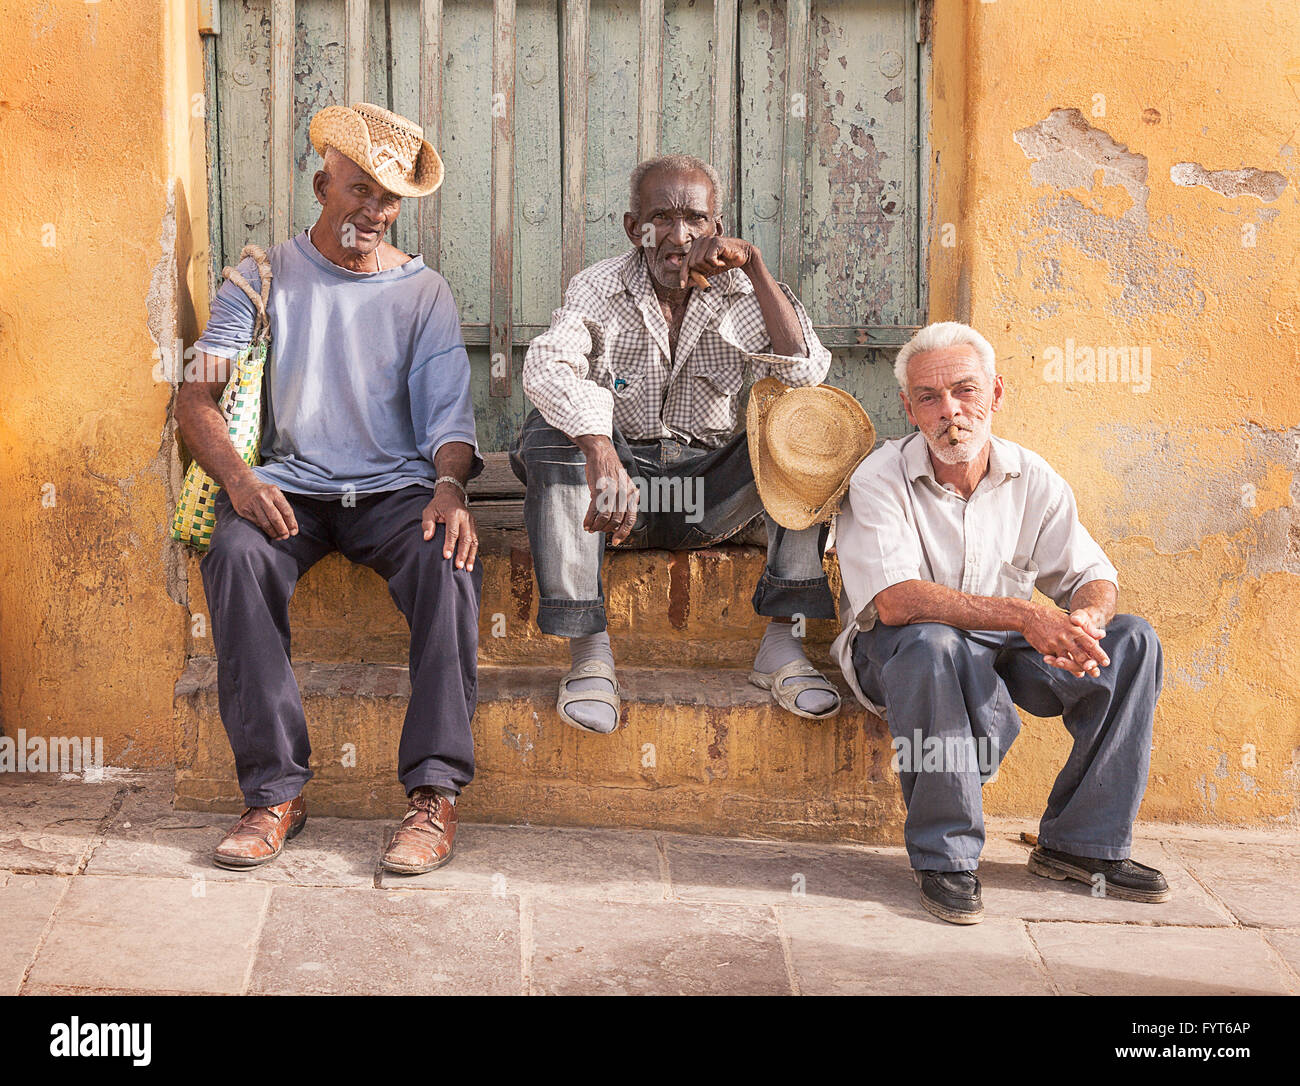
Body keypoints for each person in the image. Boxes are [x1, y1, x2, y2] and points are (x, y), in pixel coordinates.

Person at [177, 103, 481, 875]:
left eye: (389, 200)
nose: (373, 212)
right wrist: (239, 481)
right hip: (291, 491)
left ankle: (434, 797)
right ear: (322, 184)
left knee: (448, 564)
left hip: (392, 494)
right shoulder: (259, 278)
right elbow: (194, 398)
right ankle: (274, 793)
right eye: (359, 191)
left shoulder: (423, 294)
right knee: (234, 553)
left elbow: (450, 421)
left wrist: (449, 487)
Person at [830, 321, 1170, 924]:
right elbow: (894, 602)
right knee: (935, 645)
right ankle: (945, 856)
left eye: (965, 391)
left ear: (996, 393)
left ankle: (1082, 844)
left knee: (1132, 641)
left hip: (1004, 645)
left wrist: (1087, 618)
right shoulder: (878, 477)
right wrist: (1028, 615)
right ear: (909, 408)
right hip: (900, 650)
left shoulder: (1030, 475)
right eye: (929, 398)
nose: (950, 412)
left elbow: (1091, 570)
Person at [511, 153, 844, 734]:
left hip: (706, 499)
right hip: (617, 503)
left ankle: (780, 646)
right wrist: (600, 448)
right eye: (660, 216)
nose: (678, 234)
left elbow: (804, 374)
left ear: (717, 228)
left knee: (805, 421)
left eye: (695, 218)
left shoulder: (746, 292)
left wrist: (757, 269)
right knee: (550, 432)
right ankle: (590, 657)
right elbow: (546, 366)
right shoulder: (599, 286)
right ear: (631, 226)